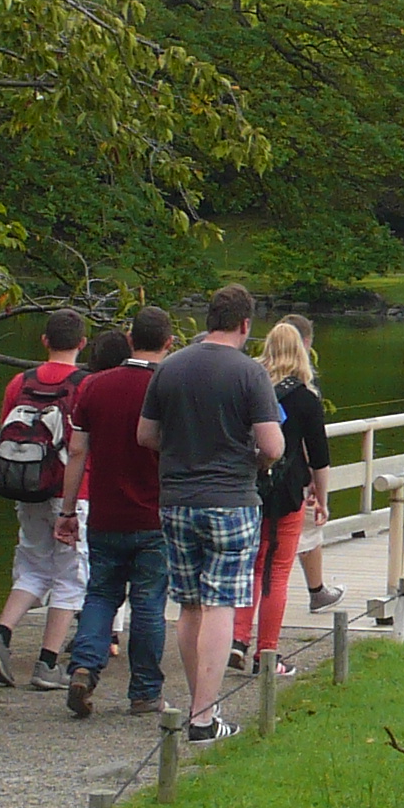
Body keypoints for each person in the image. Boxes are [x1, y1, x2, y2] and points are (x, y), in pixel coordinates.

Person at [147, 286, 286, 748]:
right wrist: (253, 460)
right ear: (245, 324)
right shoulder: (250, 372)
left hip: (176, 499)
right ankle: (204, 717)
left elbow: (146, 434)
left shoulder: (170, 367)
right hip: (231, 500)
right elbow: (272, 446)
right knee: (220, 602)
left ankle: (199, 704)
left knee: (189, 604)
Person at [0, 311, 96, 690]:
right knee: (71, 578)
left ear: (45, 341)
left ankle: (2, 634)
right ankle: (47, 663)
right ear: (82, 343)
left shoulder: (20, 382)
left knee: (32, 567)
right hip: (73, 492)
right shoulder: (86, 385)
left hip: (28, 486)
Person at [64, 309, 169, 718]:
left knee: (101, 594)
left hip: (105, 513)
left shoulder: (95, 385)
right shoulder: (167, 387)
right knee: (148, 604)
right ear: (169, 342)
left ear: (129, 338)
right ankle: (144, 692)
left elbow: (77, 451)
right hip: (154, 516)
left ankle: (84, 667)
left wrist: (68, 510)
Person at [230, 319, 336, 675]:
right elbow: (319, 456)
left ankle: (237, 639)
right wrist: (322, 499)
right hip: (287, 492)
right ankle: (267, 653)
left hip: (246, 487)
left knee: (250, 566)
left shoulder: (248, 389)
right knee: (275, 572)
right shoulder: (305, 398)